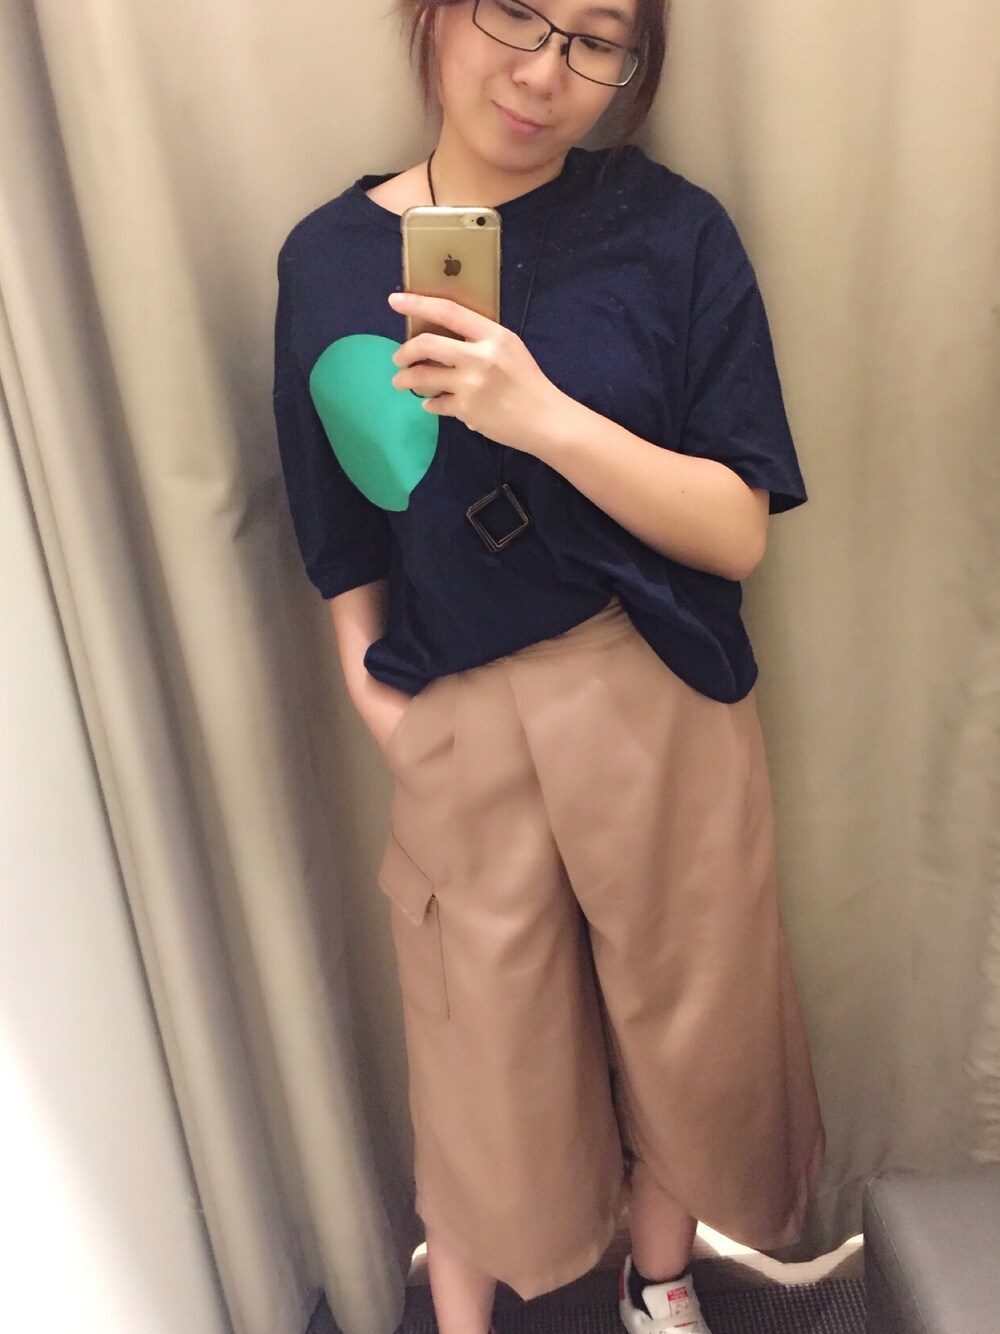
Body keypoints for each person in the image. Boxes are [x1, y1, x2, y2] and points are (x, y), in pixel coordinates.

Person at [272, 1, 827, 1330]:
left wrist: (543, 416)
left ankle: (661, 1279)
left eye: (595, 38)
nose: (543, 69)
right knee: (484, 1056)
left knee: (688, 1031)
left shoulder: (671, 231)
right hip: (456, 705)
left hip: (652, 681)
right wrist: (376, 697)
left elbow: (738, 527)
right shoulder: (327, 258)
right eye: (516, 11)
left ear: (632, 65)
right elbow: (336, 529)